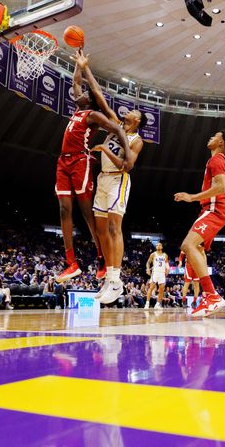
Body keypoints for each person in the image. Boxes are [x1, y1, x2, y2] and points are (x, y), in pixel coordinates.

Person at [55, 51, 130, 284]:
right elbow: (76, 83)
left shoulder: (94, 114)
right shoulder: (79, 109)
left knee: (88, 212)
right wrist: (79, 65)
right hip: (63, 161)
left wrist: (128, 156)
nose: (80, 94)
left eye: (85, 95)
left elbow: (117, 128)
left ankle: (100, 257)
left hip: (80, 160)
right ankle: (71, 263)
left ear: (90, 100)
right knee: (64, 210)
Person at [174, 130, 225, 317]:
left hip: (214, 210)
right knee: (197, 249)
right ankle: (210, 296)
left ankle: (212, 295)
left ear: (221, 142)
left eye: (215, 136)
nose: (210, 137)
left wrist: (192, 197)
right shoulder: (215, 160)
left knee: (187, 245)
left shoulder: (217, 160)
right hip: (210, 210)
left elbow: (221, 187)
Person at [91, 107, 145, 305]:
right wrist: (87, 75)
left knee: (115, 228)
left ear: (138, 120)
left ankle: (116, 280)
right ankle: (109, 276)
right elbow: (104, 105)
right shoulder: (116, 126)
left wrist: (104, 149)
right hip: (103, 178)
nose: (128, 111)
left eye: (133, 111)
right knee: (100, 230)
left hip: (118, 180)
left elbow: (126, 165)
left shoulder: (136, 141)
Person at [144, 242, 169, 309]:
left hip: (162, 273)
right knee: (151, 287)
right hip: (155, 272)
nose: (158, 246)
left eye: (160, 245)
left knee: (162, 289)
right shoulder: (153, 254)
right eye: (157, 245)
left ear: (162, 247)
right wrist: (148, 269)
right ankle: (147, 303)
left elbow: (167, 264)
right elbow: (148, 263)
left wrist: (167, 269)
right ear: (156, 247)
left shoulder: (165, 255)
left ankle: (157, 304)